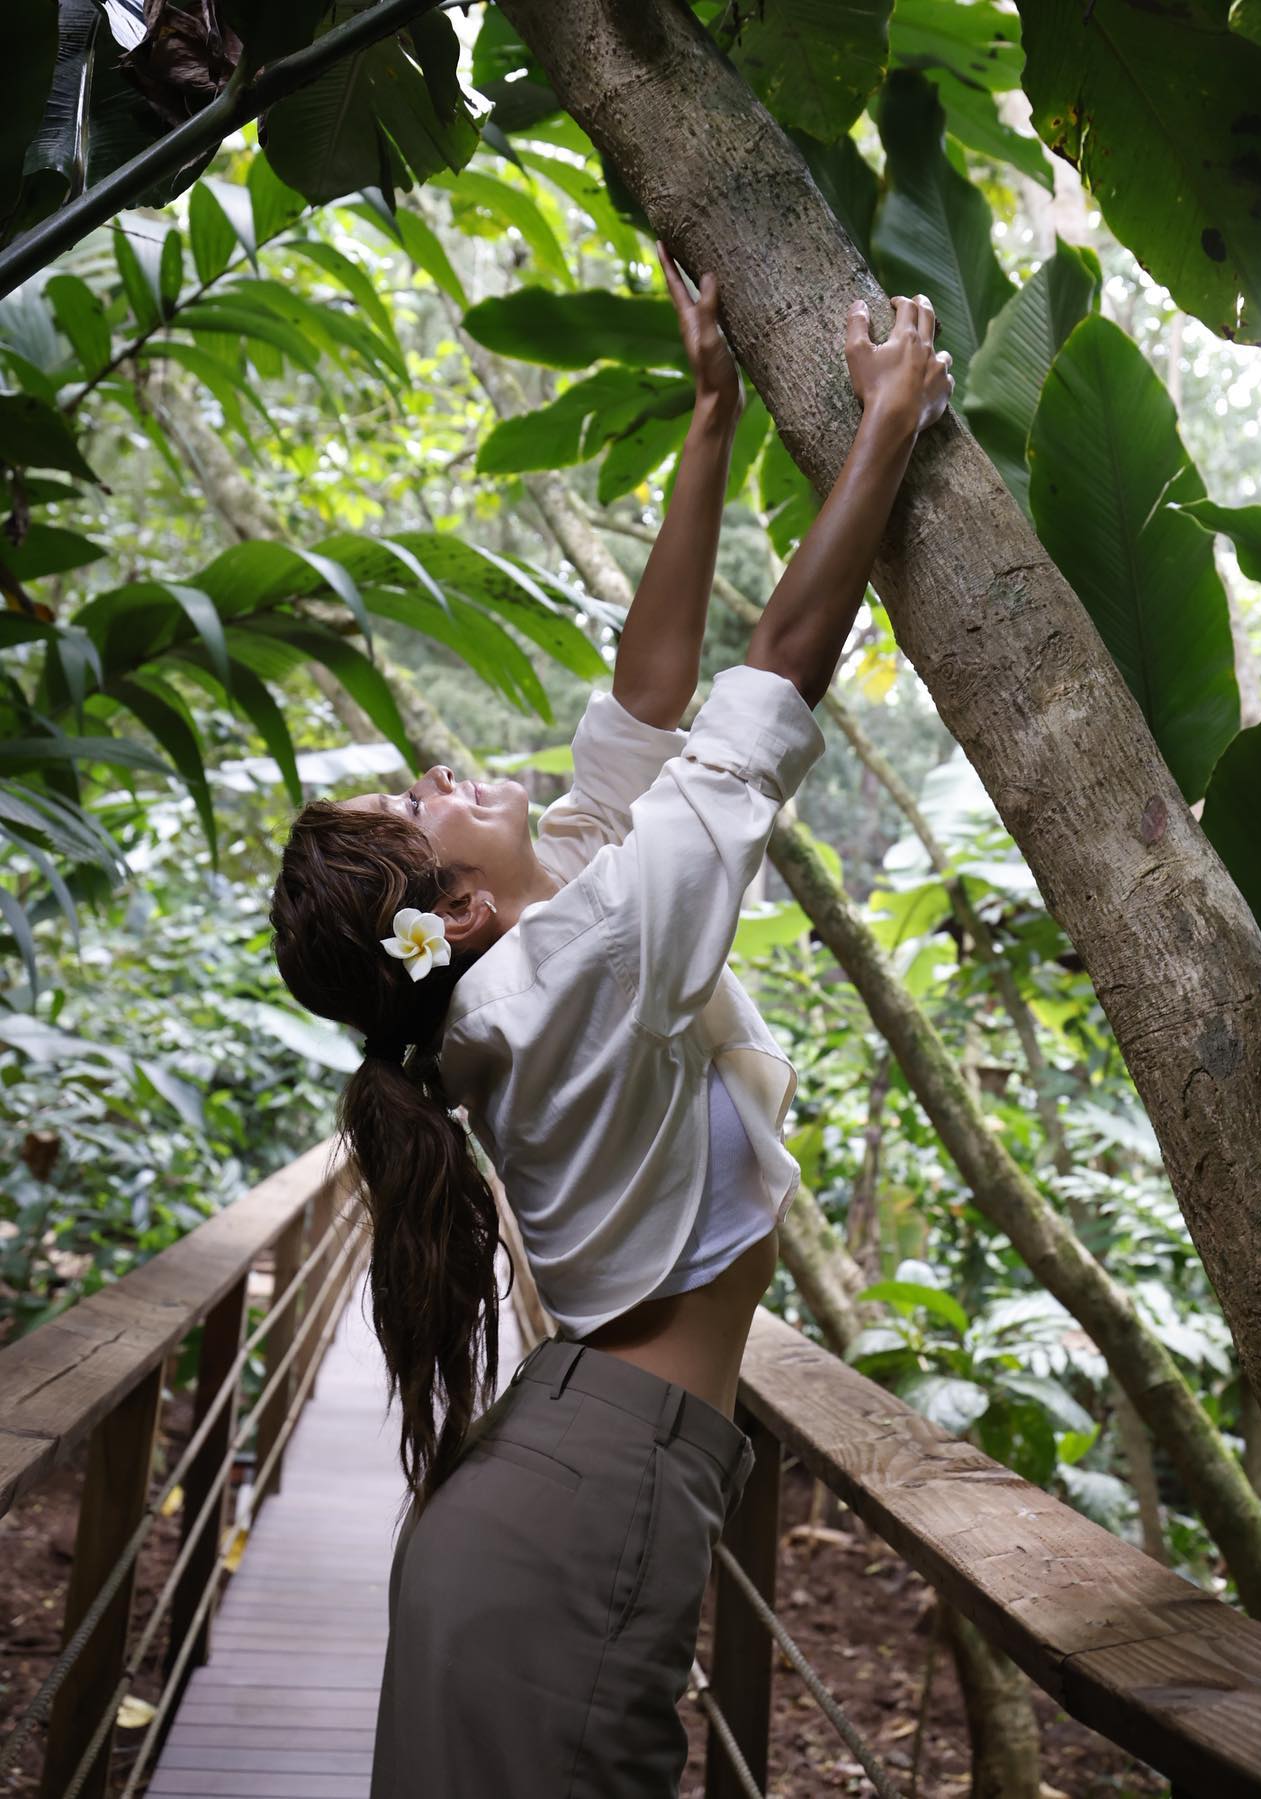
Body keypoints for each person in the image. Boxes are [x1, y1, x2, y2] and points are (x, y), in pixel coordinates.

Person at [267, 249, 952, 1798]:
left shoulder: (532, 956)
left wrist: (712, 417)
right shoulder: (564, 974)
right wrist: (886, 427)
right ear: (453, 910)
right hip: (579, 1517)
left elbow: (645, 705)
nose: (440, 774)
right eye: (419, 806)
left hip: (555, 1498)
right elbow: (763, 695)